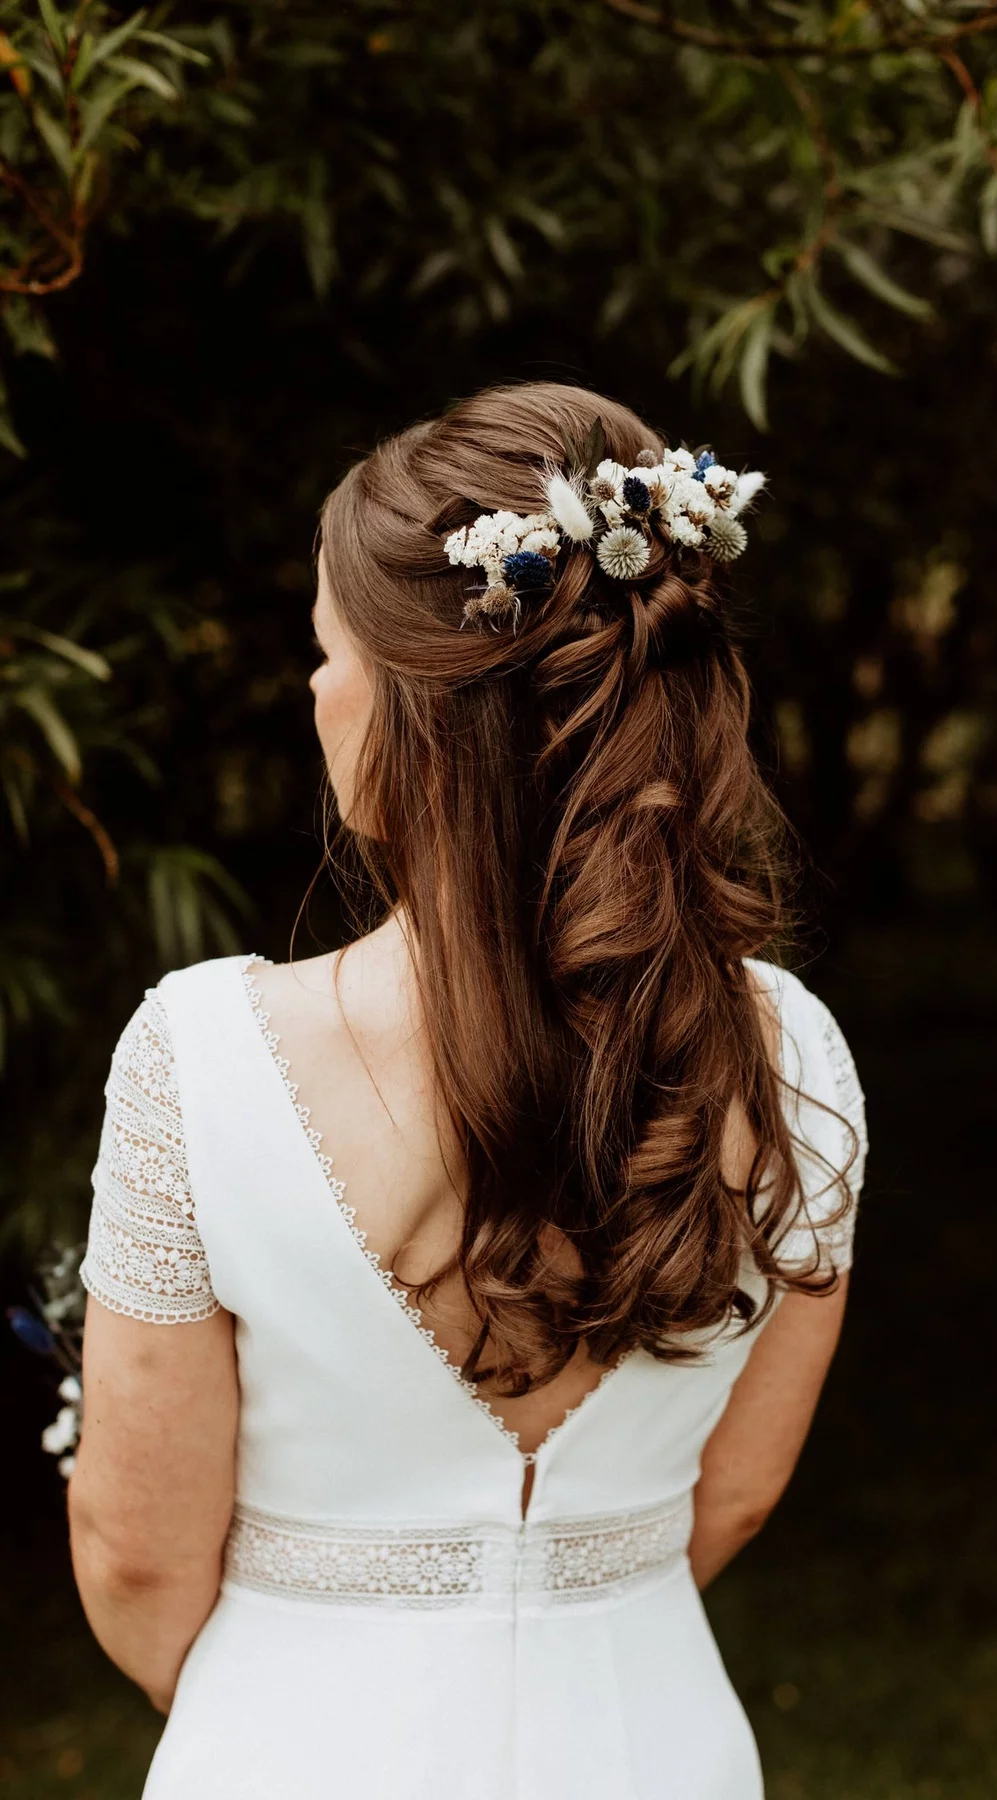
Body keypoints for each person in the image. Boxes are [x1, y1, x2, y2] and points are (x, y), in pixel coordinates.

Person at [68, 382, 866, 1799]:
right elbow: (733, 1492)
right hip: (653, 1737)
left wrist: (290, 1696)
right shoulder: (796, 1057)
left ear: (416, 713)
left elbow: (136, 1557)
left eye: (327, 652)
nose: (314, 691)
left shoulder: (199, 1063)